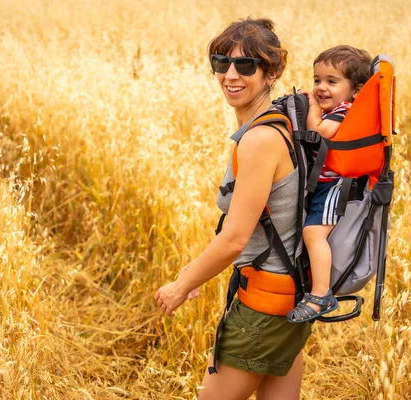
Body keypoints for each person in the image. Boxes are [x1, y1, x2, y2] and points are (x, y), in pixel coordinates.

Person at [154, 18, 313, 400]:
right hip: (288, 300)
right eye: (221, 62)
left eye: (245, 65)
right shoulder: (279, 121)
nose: (230, 74)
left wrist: (182, 285)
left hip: (263, 309)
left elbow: (235, 238)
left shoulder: (259, 139)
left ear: (272, 71)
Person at [286, 45, 372, 323]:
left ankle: (321, 295)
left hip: (336, 186)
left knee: (313, 233)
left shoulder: (345, 109)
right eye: (317, 80)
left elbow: (319, 132)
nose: (321, 88)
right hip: (324, 183)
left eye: (331, 82)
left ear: (356, 90)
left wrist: (310, 106)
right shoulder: (337, 106)